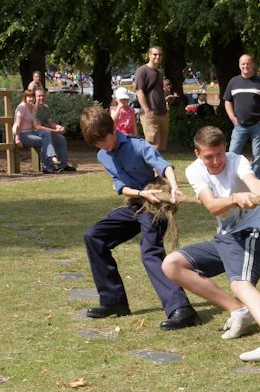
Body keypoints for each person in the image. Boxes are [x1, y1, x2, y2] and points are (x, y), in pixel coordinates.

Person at [161, 127, 260, 359]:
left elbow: (253, 181)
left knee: (240, 284)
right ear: (197, 153)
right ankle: (238, 310)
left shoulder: (237, 160)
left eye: (220, 153)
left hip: (254, 232)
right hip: (226, 236)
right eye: (209, 156)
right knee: (172, 264)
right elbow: (211, 205)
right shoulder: (194, 170)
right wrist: (234, 199)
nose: (216, 160)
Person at [78, 106, 200, 330]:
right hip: (135, 205)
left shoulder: (137, 145)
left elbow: (164, 166)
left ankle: (181, 309)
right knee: (93, 237)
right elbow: (121, 187)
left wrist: (173, 187)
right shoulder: (102, 155)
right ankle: (113, 301)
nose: (102, 147)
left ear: (112, 129)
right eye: (96, 145)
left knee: (150, 251)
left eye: (103, 141)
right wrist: (141, 194)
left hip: (154, 208)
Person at [222, 54, 260, 179]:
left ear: (252, 64)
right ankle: (231, 177)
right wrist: (233, 118)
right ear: (239, 65)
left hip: (257, 125)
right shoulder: (233, 82)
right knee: (232, 153)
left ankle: (255, 180)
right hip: (239, 126)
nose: (245, 66)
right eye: (243, 64)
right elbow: (227, 101)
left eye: (248, 63)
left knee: (258, 156)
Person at [12, 89, 65, 174]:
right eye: (29, 97)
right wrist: (17, 139)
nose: (31, 99)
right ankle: (49, 164)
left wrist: (40, 133)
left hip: (30, 132)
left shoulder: (33, 107)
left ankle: (52, 164)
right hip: (21, 134)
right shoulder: (21, 107)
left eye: (32, 97)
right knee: (44, 141)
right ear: (25, 97)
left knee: (46, 134)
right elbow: (18, 125)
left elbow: (33, 125)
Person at [136, 45, 170, 150]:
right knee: (153, 145)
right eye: (155, 54)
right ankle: (151, 166)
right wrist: (146, 110)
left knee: (162, 145)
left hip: (162, 112)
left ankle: (157, 167)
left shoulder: (160, 72)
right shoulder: (142, 71)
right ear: (149, 55)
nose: (157, 57)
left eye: (160, 55)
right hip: (150, 113)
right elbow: (139, 91)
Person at [33, 88, 76, 172]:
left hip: (45, 132)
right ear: (35, 97)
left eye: (43, 96)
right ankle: (48, 166)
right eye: (39, 96)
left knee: (61, 139)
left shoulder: (46, 108)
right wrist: (54, 131)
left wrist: (58, 127)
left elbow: (51, 123)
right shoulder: (33, 109)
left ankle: (63, 165)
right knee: (47, 135)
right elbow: (38, 127)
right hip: (35, 133)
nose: (41, 98)